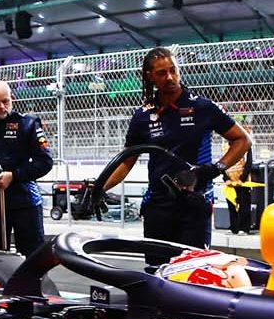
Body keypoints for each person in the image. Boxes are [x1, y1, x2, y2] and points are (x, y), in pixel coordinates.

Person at [99, 48, 249, 248]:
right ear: (150, 76)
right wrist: (98, 188)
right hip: (158, 206)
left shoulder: (203, 107)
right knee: (157, 272)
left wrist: (215, 169)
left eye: (173, 70)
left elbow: (242, 140)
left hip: (195, 204)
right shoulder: (142, 116)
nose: (170, 77)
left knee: (192, 272)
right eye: (162, 73)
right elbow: (126, 161)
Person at [0, 80, 53, 254]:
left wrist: (13, 175)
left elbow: (45, 162)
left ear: (12, 98)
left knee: (32, 257)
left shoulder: (27, 124)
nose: (1, 106)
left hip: (24, 201)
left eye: (5, 101)